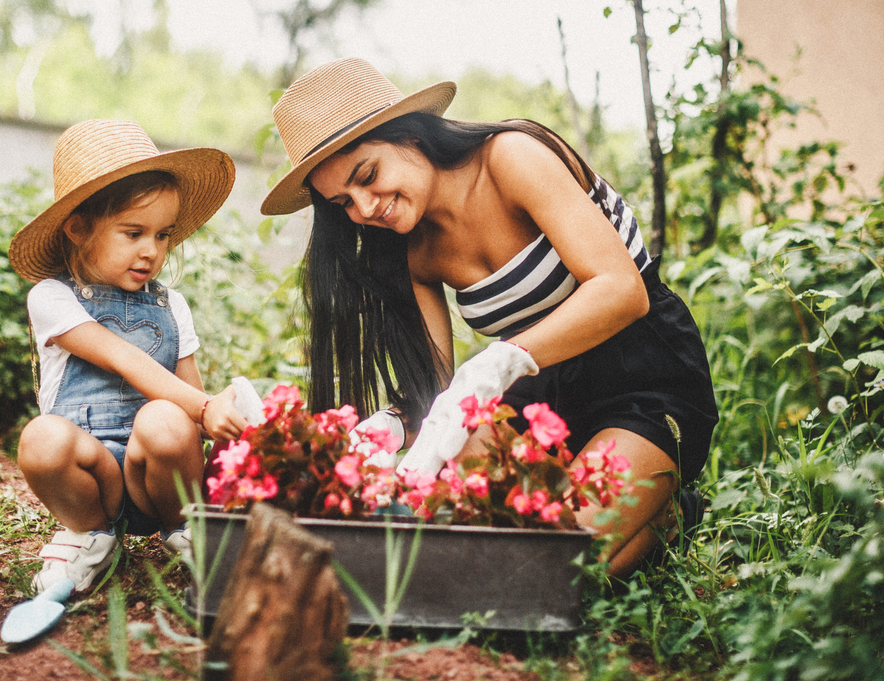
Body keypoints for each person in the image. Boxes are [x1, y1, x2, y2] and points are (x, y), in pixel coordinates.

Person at [261, 58, 718, 575]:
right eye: (343, 201)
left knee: (555, 568)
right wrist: (384, 435)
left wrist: (497, 361)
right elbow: (438, 396)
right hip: (542, 392)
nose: (364, 208)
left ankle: (669, 516)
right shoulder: (413, 252)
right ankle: (623, 516)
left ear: (410, 134)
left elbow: (621, 291)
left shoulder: (510, 157)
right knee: (486, 543)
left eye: (367, 175)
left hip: (643, 371)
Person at [9, 118, 254, 595]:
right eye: (133, 233)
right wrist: (204, 408)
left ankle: (184, 531)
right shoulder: (52, 297)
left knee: (165, 417)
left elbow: (191, 401)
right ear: (79, 228)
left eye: (163, 235)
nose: (151, 252)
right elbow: (122, 357)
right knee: (40, 439)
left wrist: (223, 412)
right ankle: (90, 537)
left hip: (155, 481)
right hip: (92, 479)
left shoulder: (172, 306)